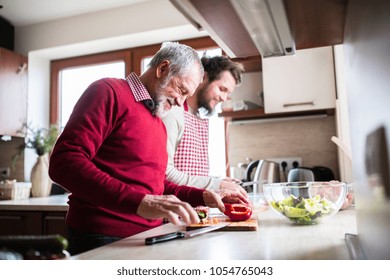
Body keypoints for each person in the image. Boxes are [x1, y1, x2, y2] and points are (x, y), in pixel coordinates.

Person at [48, 42, 247, 255]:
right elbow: (64, 163)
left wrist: (204, 196)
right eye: (181, 90)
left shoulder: (158, 122)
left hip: (150, 236)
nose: (181, 102)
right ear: (162, 69)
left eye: (186, 95)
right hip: (102, 235)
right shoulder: (108, 91)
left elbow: (157, 186)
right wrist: (140, 202)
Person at [162, 55, 246, 194]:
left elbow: (190, 173)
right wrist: (215, 184)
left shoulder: (197, 117)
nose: (224, 98)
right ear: (204, 77)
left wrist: (218, 181)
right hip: (174, 212)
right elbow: (165, 173)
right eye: (222, 89)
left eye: (228, 93)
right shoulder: (173, 112)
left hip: (194, 211)